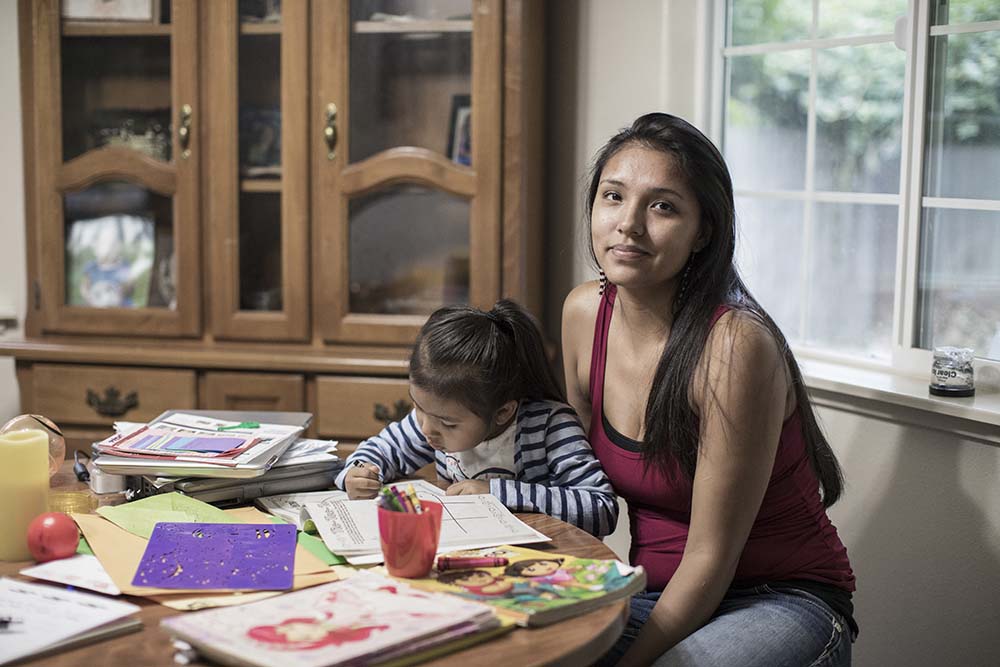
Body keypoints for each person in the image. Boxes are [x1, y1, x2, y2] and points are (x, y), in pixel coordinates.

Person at [561, 113, 856, 666]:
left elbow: (711, 555)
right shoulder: (583, 314)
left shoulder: (735, 346)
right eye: (613, 197)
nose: (629, 224)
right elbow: (575, 492)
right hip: (656, 595)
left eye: (663, 206)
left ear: (704, 232)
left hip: (778, 600)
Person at [336, 299, 618, 538]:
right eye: (418, 408)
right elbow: (384, 449)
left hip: (547, 566)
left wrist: (496, 493)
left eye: (448, 424)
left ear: (503, 413)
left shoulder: (550, 427)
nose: (425, 429)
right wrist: (358, 471)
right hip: (469, 551)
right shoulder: (433, 420)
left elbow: (601, 508)